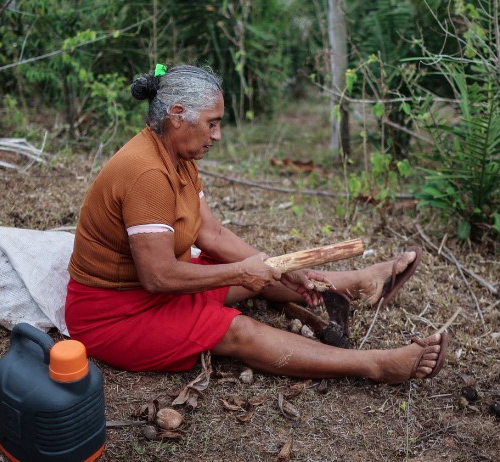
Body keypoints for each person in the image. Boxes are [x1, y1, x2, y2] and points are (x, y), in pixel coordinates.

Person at [64, 64, 449, 383]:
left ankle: (361, 283)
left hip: (153, 292)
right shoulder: (146, 172)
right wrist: (243, 273)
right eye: (212, 124)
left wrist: (281, 270)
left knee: (251, 273)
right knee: (236, 329)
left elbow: (211, 234)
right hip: (116, 315)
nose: (218, 135)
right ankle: (376, 365)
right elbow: (159, 277)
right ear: (177, 115)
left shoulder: (177, 158)